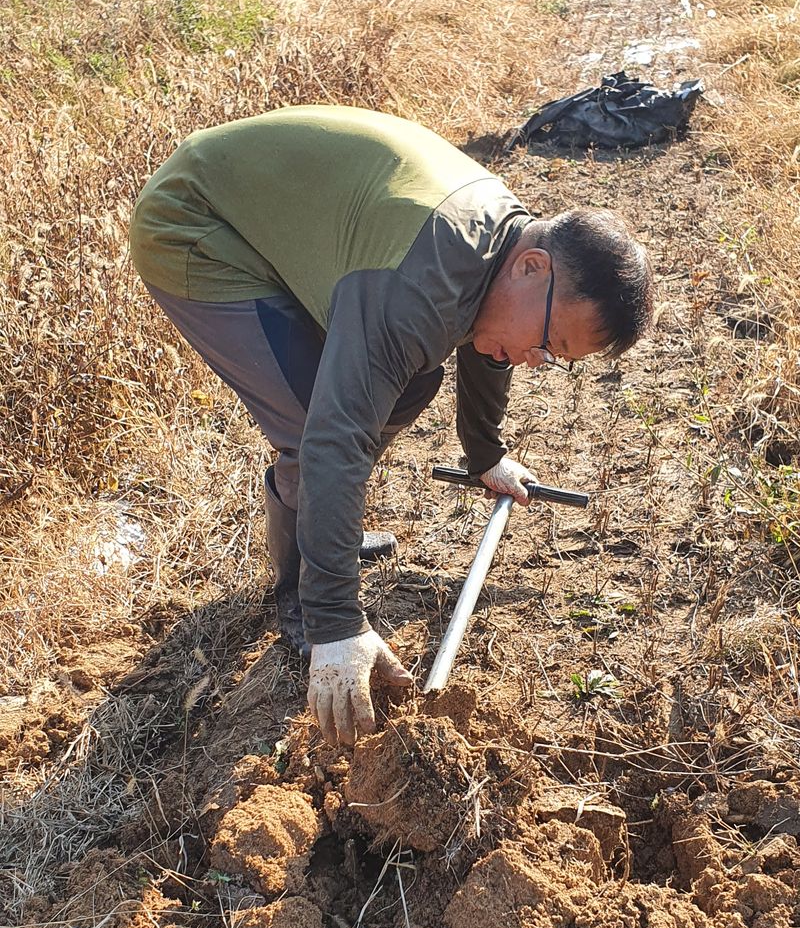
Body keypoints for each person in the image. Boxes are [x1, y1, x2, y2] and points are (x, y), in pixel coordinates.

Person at [130, 105, 652, 746]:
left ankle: (324, 535)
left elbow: (490, 339)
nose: (534, 359)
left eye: (553, 358)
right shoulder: (421, 281)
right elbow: (335, 435)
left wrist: (484, 453)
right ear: (534, 266)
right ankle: (303, 597)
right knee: (311, 427)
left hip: (280, 222)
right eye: (549, 341)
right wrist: (337, 621)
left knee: (410, 376)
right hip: (198, 223)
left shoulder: (502, 252)